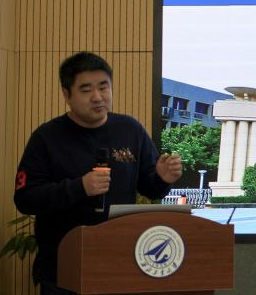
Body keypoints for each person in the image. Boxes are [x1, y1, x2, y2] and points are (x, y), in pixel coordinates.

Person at [14, 52, 183, 294]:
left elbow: (150, 188)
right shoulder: (46, 138)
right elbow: (25, 198)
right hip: (63, 269)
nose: (97, 97)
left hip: (120, 263)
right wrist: (80, 187)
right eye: (86, 90)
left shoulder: (130, 129)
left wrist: (162, 179)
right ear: (66, 94)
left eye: (103, 87)